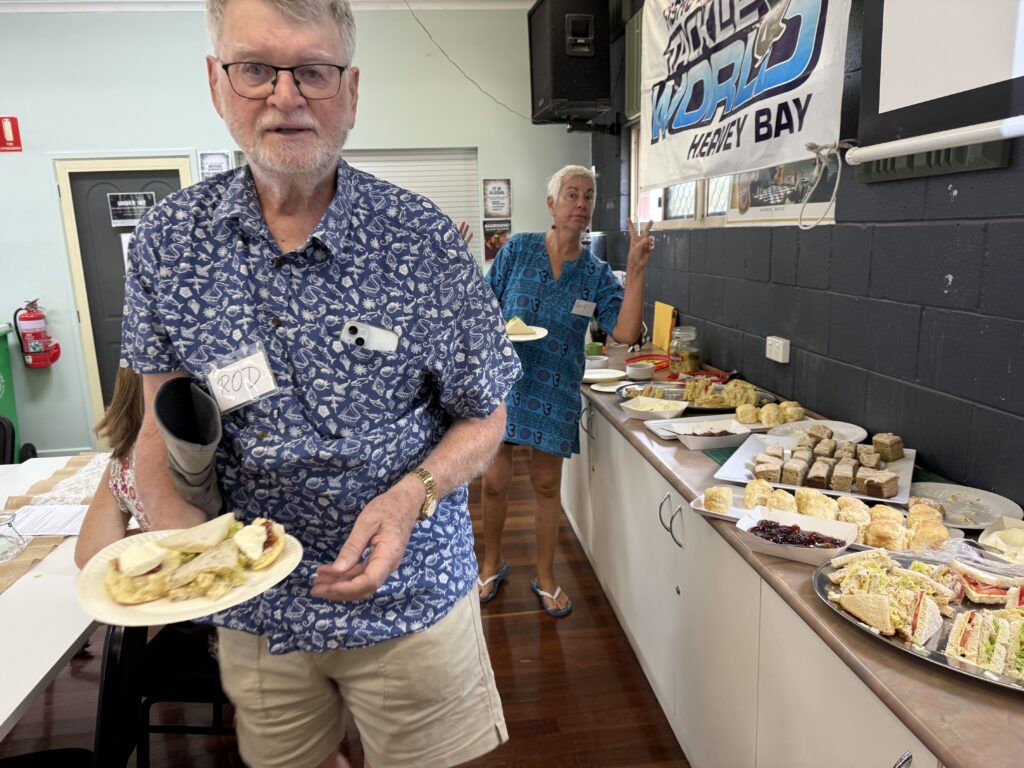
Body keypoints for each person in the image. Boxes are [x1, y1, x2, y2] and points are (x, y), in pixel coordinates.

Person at [119, 1, 521, 767]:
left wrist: (411, 497)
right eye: (255, 68)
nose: (285, 94)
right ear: (216, 81)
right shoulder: (170, 244)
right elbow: (155, 428)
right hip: (257, 609)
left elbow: (487, 416)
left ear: (352, 89)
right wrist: (183, 543)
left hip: (411, 598)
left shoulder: (421, 239)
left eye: (313, 70)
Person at [478, 166, 654, 617]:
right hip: (506, 382)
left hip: (555, 385)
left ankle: (546, 575)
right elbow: (482, 308)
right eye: (572, 195)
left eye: (589, 196)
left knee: (543, 484)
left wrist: (635, 271)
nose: (581, 204)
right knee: (495, 483)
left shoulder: (595, 274)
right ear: (552, 204)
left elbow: (625, 331)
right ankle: (489, 564)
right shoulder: (518, 249)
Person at [74, 368, 148, 567]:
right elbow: (91, 553)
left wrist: (151, 535)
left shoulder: (126, 461)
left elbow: (93, 553)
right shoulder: (125, 463)